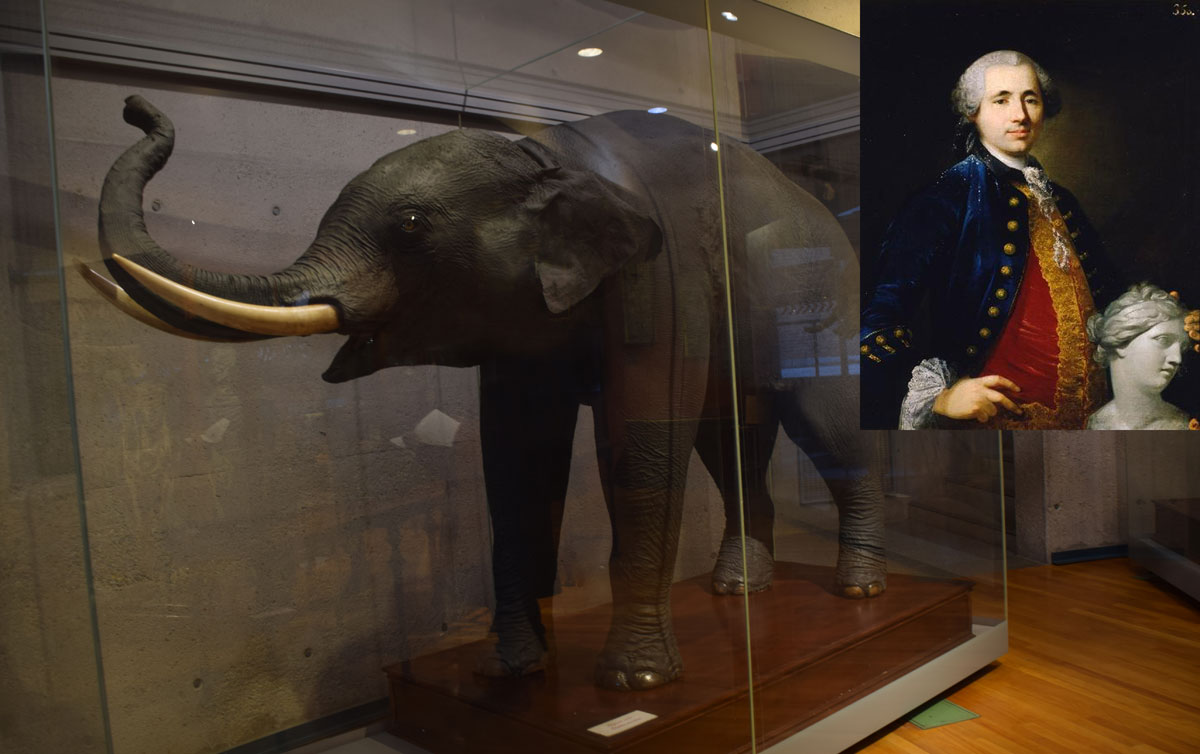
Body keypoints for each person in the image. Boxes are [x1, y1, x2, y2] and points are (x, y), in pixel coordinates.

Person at [860, 50, 1123, 429]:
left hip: (1089, 417)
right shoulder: (945, 197)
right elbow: (877, 320)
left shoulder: (1060, 198)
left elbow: (1108, 294)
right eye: (1001, 100)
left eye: (1030, 99)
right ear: (973, 112)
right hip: (998, 425)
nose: (1020, 114)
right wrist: (942, 395)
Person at [1086, 283, 1193, 429]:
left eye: (1180, 347)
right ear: (1121, 342)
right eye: (1163, 340)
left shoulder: (1184, 427)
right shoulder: (1094, 424)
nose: (1177, 359)